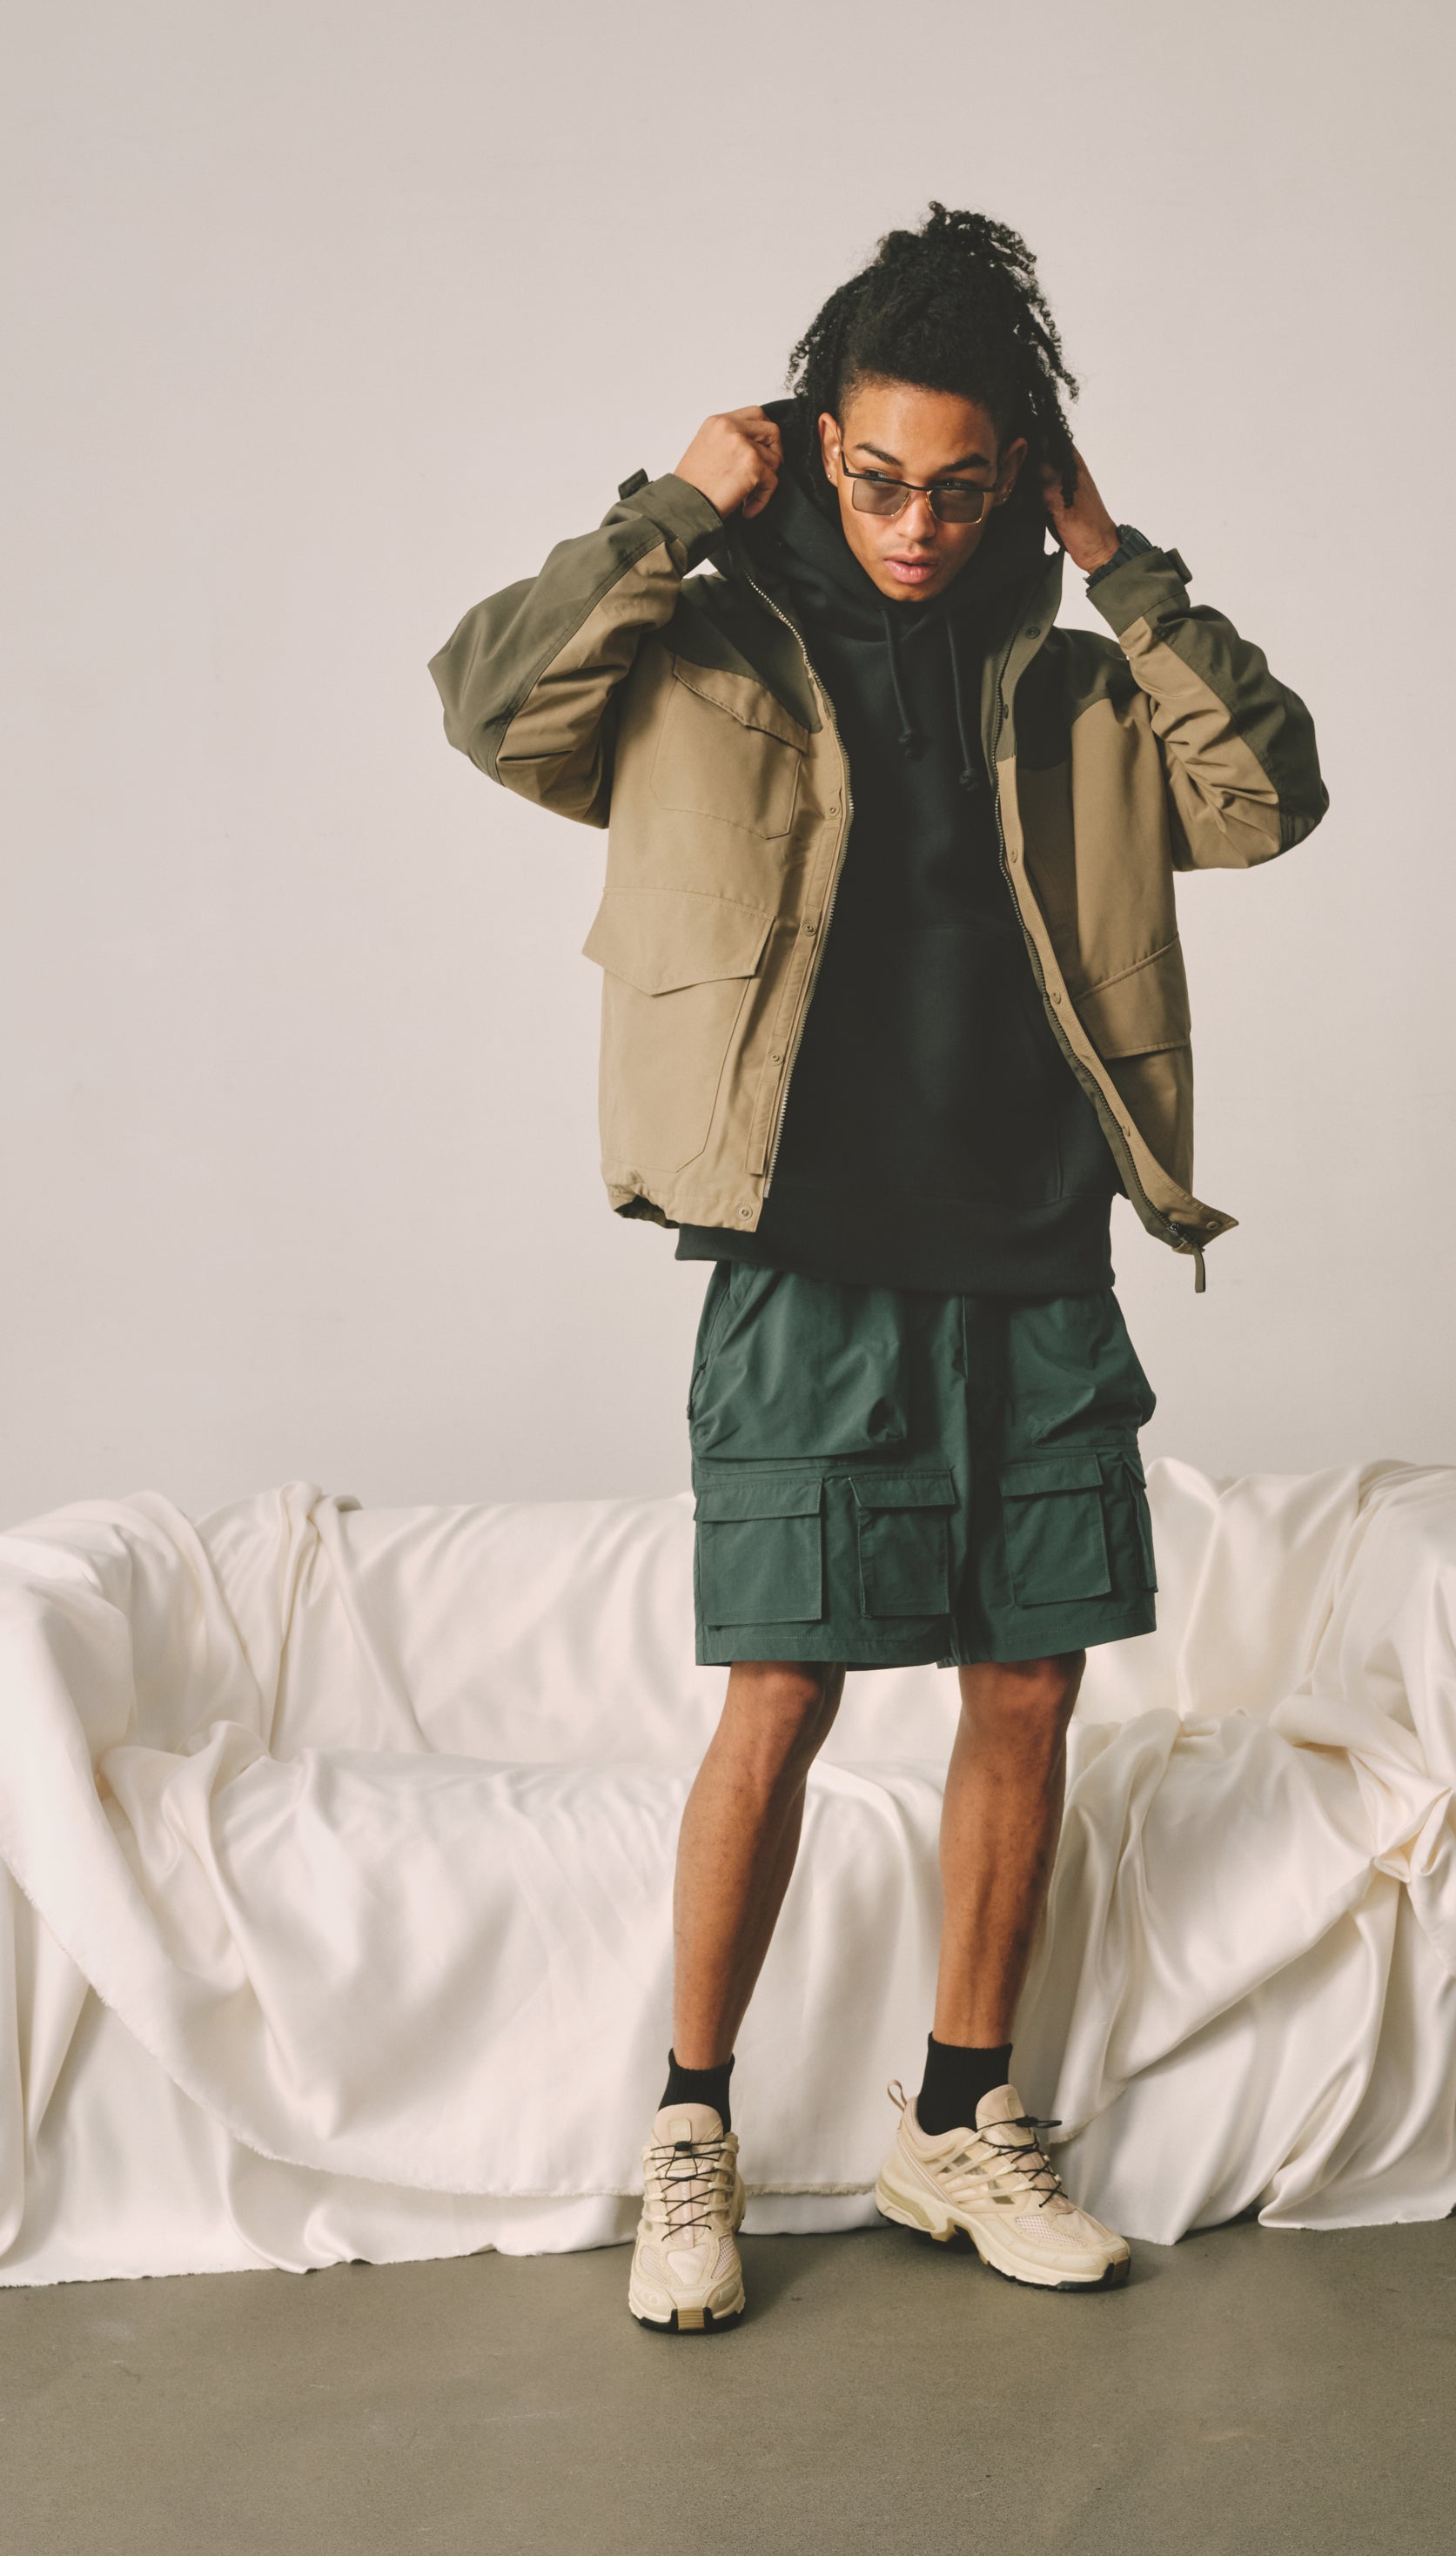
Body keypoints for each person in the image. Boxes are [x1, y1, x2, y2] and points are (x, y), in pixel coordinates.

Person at [430, 205, 1328, 2334]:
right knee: (785, 1695)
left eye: (965, 488)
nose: (920, 527)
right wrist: (673, 504)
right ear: (812, 445)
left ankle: (959, 2120)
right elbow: (491, 704)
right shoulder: (701, 653)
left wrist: (1122, 562)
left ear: (1020, 478)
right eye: (876, 480)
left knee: (1030, 1689)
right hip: (808, 1256)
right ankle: (691, 2129)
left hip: (1038, 1252)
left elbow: (1269, 795)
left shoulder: (1078, 683)